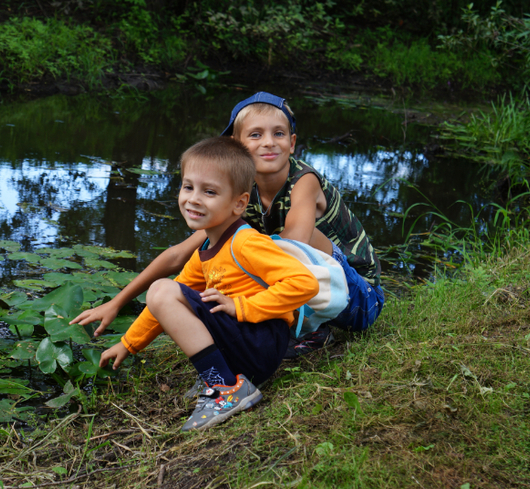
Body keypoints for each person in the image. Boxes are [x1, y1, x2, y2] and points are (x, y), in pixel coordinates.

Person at [73, 91, 384, 358]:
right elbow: (179, 254)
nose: (268, 143)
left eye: (278, 134)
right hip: (309, 291)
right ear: (236, 145)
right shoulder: (238, 194)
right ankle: (291, 327)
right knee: (222, 245)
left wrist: (231, 286)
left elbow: (294, 247)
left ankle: (306, 332)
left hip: (359, 295)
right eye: (255, 135)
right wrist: (117, 302)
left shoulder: (304, 181)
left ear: (292, 143)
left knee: (258, 247)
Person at [98, 137, 318, 431]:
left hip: (262, 342)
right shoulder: (205, 251)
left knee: (161, 289)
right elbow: (165, 304)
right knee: (169, 293)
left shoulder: (245, 242)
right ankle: (223, 376)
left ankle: (224, 388)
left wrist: (241, 306)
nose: (193, 199)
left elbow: (304, 283)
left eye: (209, 192)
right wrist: (128, 343)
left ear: (239, 203)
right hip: (244, 345)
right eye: (188, 187)